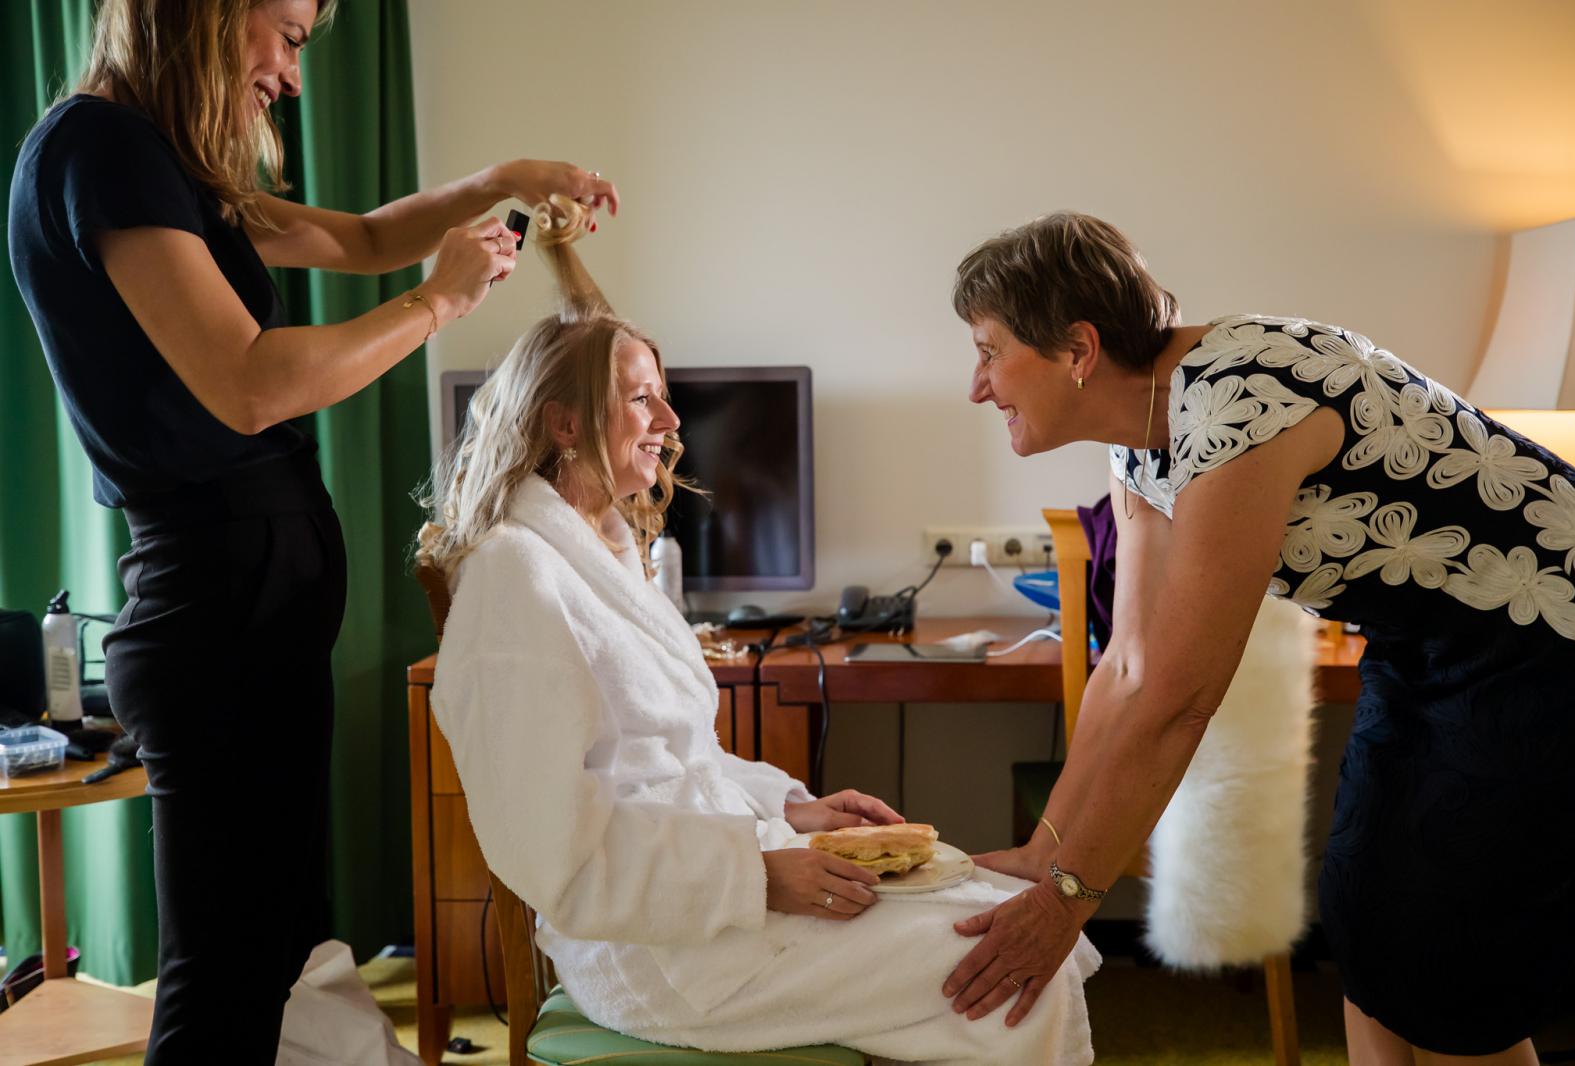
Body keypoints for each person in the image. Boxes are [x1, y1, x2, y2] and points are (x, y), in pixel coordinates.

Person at [5, 2, 617, 1061]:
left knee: (270, 960)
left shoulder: (161, 164)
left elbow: (367, 236)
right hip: (215, 605)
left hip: (248, 600)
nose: (290, 75)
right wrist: (438, 304)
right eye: (284, 35)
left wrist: (509, 176)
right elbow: (248, 385)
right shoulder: (96, 149)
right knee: (224, 979)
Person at [416, 202, 1100, 1065]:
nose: (670, 424)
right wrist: (761, 876)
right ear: (562, 424)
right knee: (1009, 963)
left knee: (1008, 917)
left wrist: (793, 809)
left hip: (716, 896)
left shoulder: (609, 552)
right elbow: (551, 851)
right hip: (656, 946)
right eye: (643, 400)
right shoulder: (517, 577)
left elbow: (674, 762)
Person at [943, 211, 1575, 1064]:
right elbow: (1132, 666)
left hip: (1559, 645)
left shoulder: (1240, 391)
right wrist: (1045, 853)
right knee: (1367, 919)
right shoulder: (1142, 440)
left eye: (989, 350)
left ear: (1077, 349)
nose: (977, 385)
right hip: (1426, 650)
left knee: (1449, 967)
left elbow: (1182, 695)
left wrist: (1067, 902)